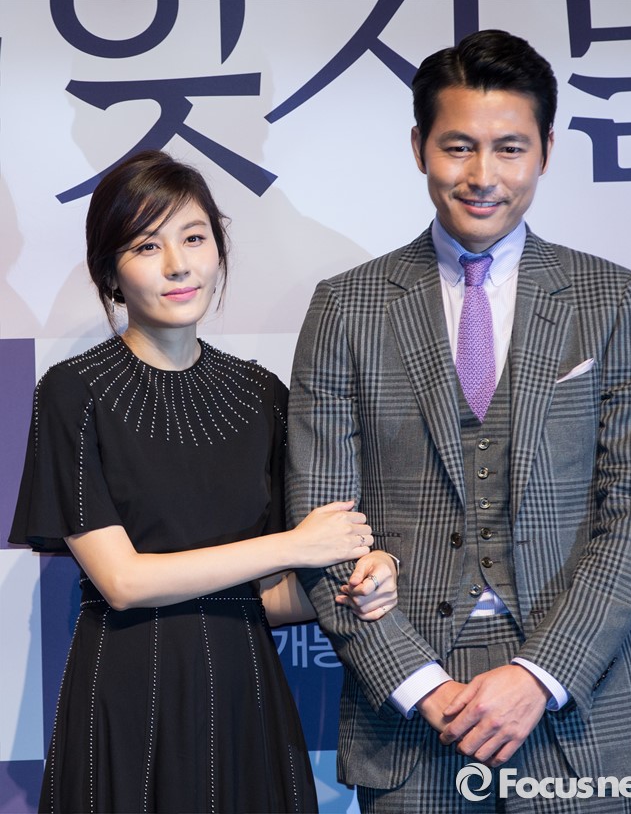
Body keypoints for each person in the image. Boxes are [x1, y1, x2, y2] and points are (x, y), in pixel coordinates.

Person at [286, 29, 631, 813]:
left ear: (547, 151)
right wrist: (420, 684)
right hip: (410, 726)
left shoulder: (611, 299)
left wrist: (540, 675)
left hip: (579, 714)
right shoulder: (346, 308)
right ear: (419, 148)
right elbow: (321, 527)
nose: (482, 176)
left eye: (509, 148)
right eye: (458, 146)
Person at [9, 149, 399, 814]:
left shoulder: (261, 395)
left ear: (219, 250)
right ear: (109, 272)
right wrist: (294, 546)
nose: (177, 264)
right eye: (146, 246)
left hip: (245, 688)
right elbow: (123, 582)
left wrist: (361, 582)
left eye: (194, 238)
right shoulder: (74, 393)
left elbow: (272, 598)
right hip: (129, 689)